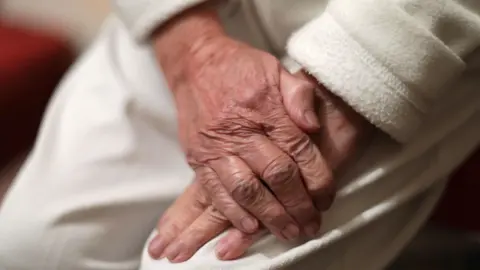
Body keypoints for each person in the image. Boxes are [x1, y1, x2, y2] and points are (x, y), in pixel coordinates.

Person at [0, 0, 479, 269]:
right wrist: (191, 49)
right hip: (188, 15)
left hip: (393, 25)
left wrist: (357, 78)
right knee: (32, 249)